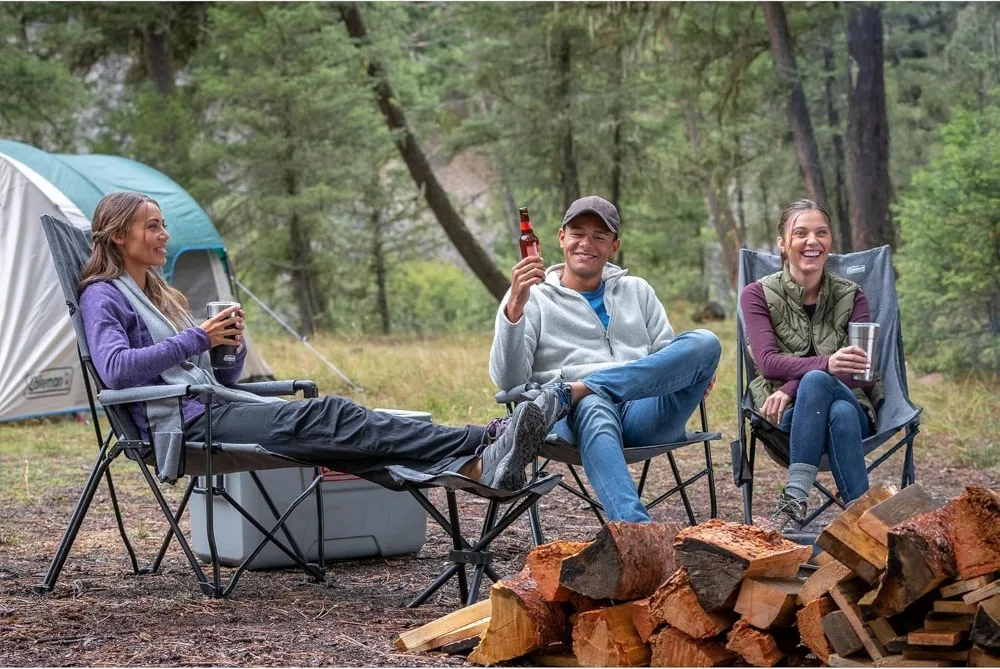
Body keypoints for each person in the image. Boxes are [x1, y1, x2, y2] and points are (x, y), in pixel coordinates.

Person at [78, 191, 546, 492]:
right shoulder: (102, 296)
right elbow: (115, 371)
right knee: (332, 416)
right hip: (183, 429)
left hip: (214, 408)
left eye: (163, 224)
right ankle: (479, 439)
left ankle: (472, 468)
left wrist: (228, 349)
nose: (165, 235)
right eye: (153, 227)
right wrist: (197, 338)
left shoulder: (157, 296)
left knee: (334, 435)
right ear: (119, 236)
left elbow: (219, 377)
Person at [489, 195, 722, 523]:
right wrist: (514, 308)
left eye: (599, 236)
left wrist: (692, 371)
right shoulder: (532, 297)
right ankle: (635, 529)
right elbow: (508, 381)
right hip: (573, 418)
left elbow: (666, 358)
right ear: (561, 238)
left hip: (644, 412)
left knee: (705, 341)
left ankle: (579, 388)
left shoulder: (638, 291)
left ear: (614, 246)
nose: (586, 243)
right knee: (593, 403)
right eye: (577, 234)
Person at [740, 199, 884, 532]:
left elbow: (860, 374)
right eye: (801, 233)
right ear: (783, 243)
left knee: (828, 391)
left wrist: (794, 387)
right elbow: (768, 363)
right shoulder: (757, 294)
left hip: (850, 401)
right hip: (786, 421)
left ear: (830, 241)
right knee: (839, 414)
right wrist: (827, 365)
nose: (812, 241)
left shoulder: (852, 296)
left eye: (821, 232)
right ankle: (864, 525)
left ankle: (794, 500)